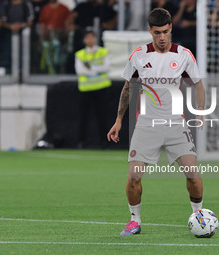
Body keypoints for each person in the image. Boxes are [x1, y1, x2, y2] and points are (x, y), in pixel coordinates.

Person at [107, 8, 205, 235]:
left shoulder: (184, 55)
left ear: (171, 28)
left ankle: (198, 215)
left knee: (192, 174)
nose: (162, 37)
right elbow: (128, 88)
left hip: (175, 124)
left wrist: (200, 113)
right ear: (150, 31)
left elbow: (198, 85)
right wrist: (119, 120)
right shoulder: (139, 55)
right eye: (157, 32)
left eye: (166, 31)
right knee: (133, 177)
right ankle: (134, 221)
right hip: (146, 124)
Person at [75, 30, 111, 149]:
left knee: (102, 116)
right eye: (87, 38)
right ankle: (81, 142)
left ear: (95, 39)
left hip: (101, 88)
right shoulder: (80, 54)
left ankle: (104, 142)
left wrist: (91, 68)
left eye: (92, 37)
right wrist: (97, 69)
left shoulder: (103, 51)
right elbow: (80, 71)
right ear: (84, 40)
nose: (90, 40)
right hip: (85, 89)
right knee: (83, 116)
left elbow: (106, 67)